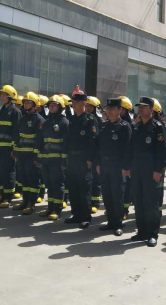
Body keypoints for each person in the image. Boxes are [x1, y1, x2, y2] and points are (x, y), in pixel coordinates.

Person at [128, 97, 166, 247]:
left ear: (151, 109)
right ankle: (142, 231)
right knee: (138, 202)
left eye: (144, 107)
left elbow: (162, 152)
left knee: (151, 203)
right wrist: (130, 167)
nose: (140, 109)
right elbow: (131, 149)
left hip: (151, 171)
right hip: (137, 170)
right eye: (139, 107)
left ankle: (152, 234)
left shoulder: (158, 127)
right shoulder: (136, 127)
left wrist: (158, 171)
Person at [98, 98, 132, 236]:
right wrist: (98, 163)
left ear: (120, 110)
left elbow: (128, 149)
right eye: (108, 108)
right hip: (104, 165)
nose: (109, 111)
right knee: (106, 195)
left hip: (118, 166)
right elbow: (99, 147)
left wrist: (126, 167)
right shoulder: (104, 126)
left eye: (113, 108)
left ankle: (118, 224)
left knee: (117, 195)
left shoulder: (124, 127)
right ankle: (110, 222)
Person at [65, 93, 99, 229]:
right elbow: (67, 140)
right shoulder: (72, 119)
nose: (73, 105)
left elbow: (94, 141)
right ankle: (76, 214)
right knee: (73, 187)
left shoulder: (90, 120)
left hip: (84, 159)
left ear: (83, 104)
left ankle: (85, 217)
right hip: (72, 158)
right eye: (73, 103)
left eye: (76, 103)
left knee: (84, 189)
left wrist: (90, 159)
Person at [37, 95, 69, 221]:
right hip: (46, 160)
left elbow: (66, 144)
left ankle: (57, 209)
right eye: (50, 105)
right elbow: (41, 141)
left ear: (60, 107)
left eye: (54, 105)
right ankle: (50, 208)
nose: (51, 107)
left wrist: (64, 161)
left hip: (57, 160)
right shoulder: (46, 122)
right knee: (49, 185)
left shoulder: (64, 122)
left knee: (57, 184)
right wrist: (39, 158)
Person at [12, 92, 44, 215]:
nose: (25, 104)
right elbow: (17, 136)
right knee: (23, 179)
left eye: (28, 102)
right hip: (22, 155)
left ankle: (32, 203)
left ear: (35, 105)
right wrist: (15, 150)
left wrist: (37, 157)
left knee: (33, 180)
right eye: (24, 102)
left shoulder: (39, 120)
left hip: (32, 156)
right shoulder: (23, 119)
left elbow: (39, 141)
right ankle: (25, 201)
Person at [0, 85, 21, 208]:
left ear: (11, 97)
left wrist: (14, 149)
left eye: (4, 95)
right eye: (1, 95)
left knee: (8, 173)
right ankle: (2, 195)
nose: (2, 97)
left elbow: (17, 132)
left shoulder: (15, 112)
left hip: (9, 149)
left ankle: (8, 197)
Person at [86, 95, 104, 214]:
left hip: (96, 155)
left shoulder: (99, 121)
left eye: (90, 106)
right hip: (86, 154)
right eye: (86, 106)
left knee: (96, 180)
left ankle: (95, 203)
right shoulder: (85, 119)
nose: (87, 108)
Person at [118, 95, 135, 220]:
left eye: (120, 108)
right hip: (115, 161)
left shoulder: (131, 125)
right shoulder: (114, 123)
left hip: (127, 162)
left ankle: (124, 210)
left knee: (127, 188)